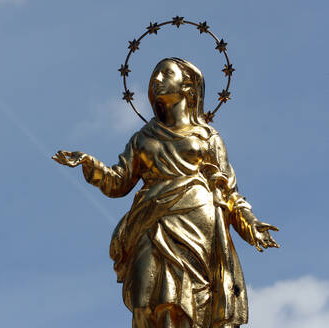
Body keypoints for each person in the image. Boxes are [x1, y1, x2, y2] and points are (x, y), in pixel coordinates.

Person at [53, 57, 279, 328]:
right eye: (154, 76)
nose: (156, 80)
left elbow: (228, 190)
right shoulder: (143, 138)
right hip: (150, 220)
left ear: (188, 87)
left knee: (186, 305)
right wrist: (91, 164)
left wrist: (249, 224)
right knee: (144, 304)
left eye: (165, 74)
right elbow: (119, 183)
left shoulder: (207, 137)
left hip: (197, 223)